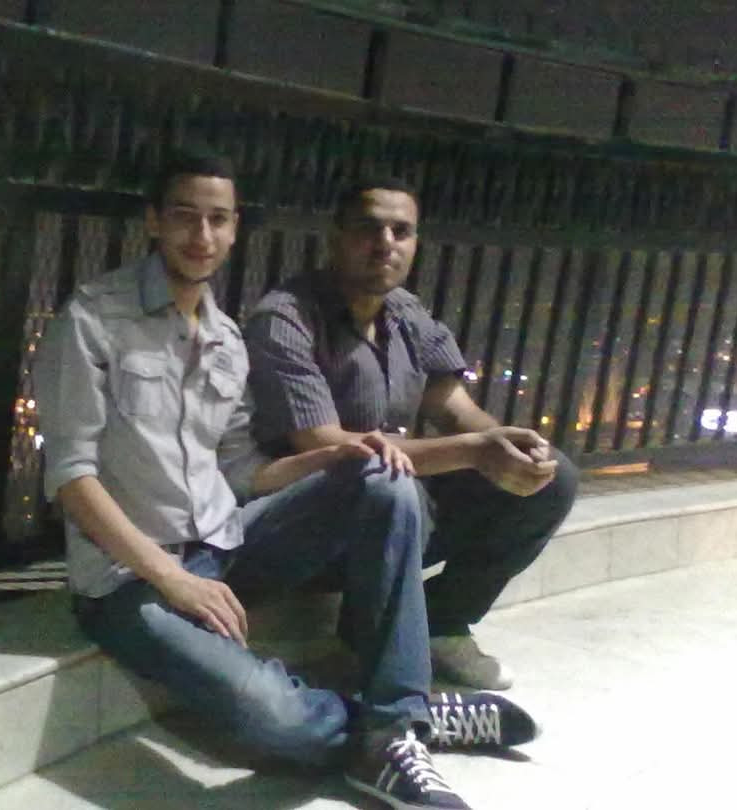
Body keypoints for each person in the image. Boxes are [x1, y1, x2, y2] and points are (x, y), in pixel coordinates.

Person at [34, 151, 537, 810]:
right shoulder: (94, 318)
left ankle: (395, 718)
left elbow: (246, 472)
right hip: (129, 581)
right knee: (273, 718)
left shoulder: (224, 337)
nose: (202, 235)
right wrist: (172, 578)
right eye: (185, 216)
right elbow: (72, 476)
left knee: (385, 479)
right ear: (154, 221)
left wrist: (344, 456)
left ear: (235, 229)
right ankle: (398, 726)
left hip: (227, 543)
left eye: (218, 219)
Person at [244, 177, 579, 692]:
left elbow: (453, 407)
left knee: (555, 480)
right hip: (307, 520)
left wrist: (509, 446)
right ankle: (377, 660)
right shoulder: (286, 318)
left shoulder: (406, 313)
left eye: (401, 231)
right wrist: (473, 451)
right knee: (394, 488)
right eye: (369, 229)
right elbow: (325, 444)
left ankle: (443, 622)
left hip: (390, 500)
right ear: (336, 237)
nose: (386, 244)